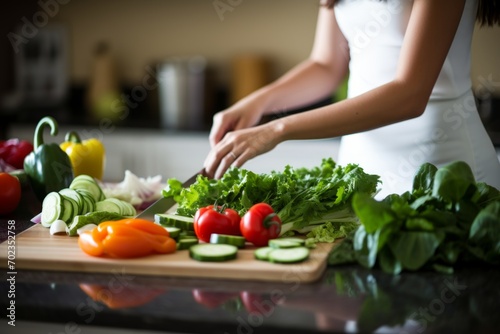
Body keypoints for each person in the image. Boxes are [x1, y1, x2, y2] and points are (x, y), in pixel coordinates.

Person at [203, 0, 500, 198]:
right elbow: (326, 65)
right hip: (361, 165)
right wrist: (255, 103)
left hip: (441, 166)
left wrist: (278, 129)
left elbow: (410, 93)